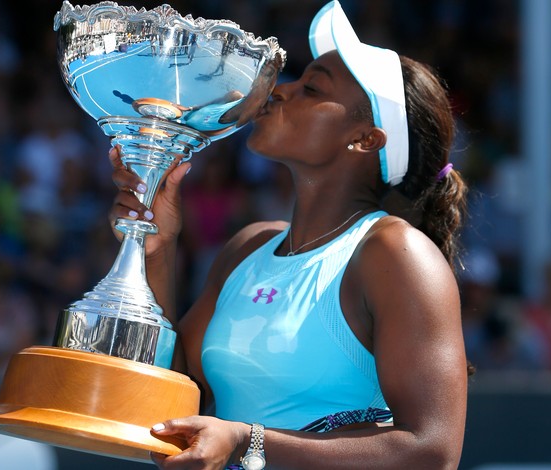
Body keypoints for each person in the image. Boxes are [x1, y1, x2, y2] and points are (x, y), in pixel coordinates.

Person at [109, 1, 469, 468]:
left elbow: (433, 450)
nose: (279, 92)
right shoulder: (249, 246)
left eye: (312, 88)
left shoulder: (396, 253)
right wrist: (156, 246)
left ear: (365, 139)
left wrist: (246, 440)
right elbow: (169, 392)